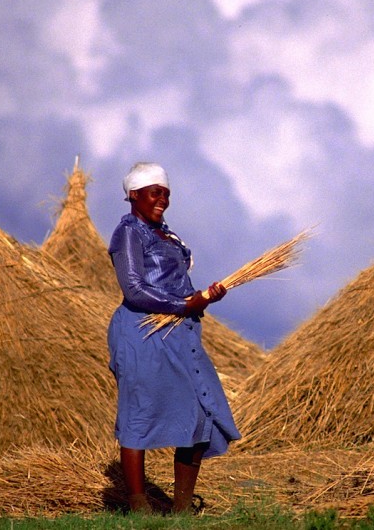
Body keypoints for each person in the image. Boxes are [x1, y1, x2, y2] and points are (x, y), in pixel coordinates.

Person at [107, 162, 241, 514]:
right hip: (141, 333)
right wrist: (184, 305)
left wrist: (203, 298)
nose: (162, 199)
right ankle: (140, 508)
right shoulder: (129, 233)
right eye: (155, 192)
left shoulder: (167, 234)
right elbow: (134, 290)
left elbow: (173, 288)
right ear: (134, 195)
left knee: (199, 413)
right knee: (138, 413)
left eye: (166, 192)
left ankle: (180, 512)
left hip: (177, 333)